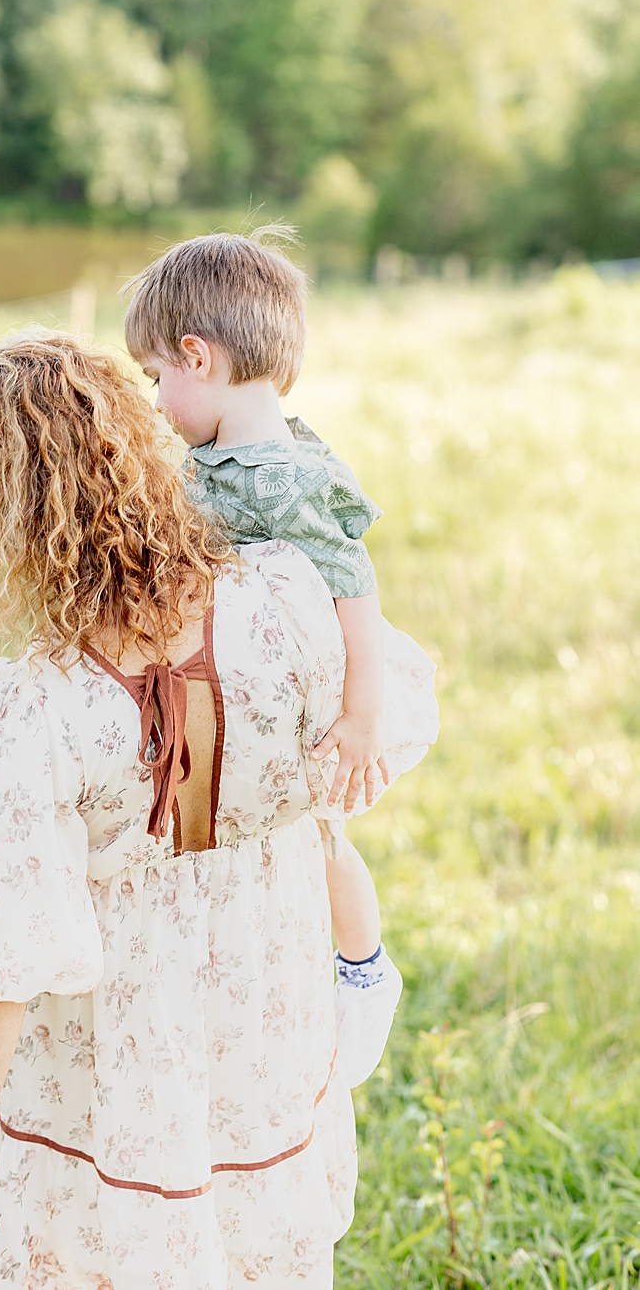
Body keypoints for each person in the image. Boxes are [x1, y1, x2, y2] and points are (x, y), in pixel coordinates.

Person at [0, 335, 396, 1284]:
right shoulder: (289, 593)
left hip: (109, 1063)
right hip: (264, 1020)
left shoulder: (26, 707)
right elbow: (368, 739)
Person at [122, 229, 438, 1086]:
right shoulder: (225, 458)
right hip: (226, 693)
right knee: (223, 843)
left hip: (298, 702)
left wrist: (363, 711)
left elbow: (353, 584)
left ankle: (364, 967)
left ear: (198, 356)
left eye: (156, 377)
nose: (154, 401)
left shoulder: (282, 475)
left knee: (318, 836)